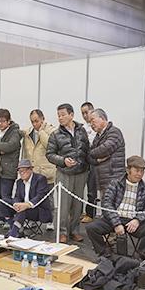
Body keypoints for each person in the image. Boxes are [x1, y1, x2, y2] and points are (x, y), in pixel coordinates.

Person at [86, 156, 145, 260]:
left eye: (142, 171)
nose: (140, 174)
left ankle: (138, 258)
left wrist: (137, 220)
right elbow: (107, 204)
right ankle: (106, 254)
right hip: (115, 218)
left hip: (133, 221)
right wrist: (116, 223)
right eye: (137, 170)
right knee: (91, 228)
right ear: (128, 170)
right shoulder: (115, 184)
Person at [46, 103, 90, 243]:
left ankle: (75, 230)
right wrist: (63, 160)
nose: (60, 118)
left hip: (81, 172)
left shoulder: (82, 130)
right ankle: (62, 232)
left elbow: (87, 149)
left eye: (63, 115)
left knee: (77, 205)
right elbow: (49, 154)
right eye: (58, 115)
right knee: (63, 205)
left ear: (71, 115)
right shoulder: (55, 134)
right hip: (64, 173)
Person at [20, 109, 56, 229]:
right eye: (32, 121)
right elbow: (25, 152)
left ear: (42, 119)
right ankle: (32, 220)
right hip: (32, 171)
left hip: (46, 170)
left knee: (48, 198)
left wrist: (41, 132)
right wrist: (24, 168)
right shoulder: (28, 133)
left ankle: (50, 221)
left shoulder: (52, 130)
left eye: (37, 121)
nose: (35, 124)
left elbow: (50, 145)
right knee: (30, 196)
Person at [5, 160, 52, 238]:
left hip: (38, 209)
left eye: (23, 171)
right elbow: (17, 197)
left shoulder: (40, 179)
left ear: (30, 170)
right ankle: (13, 227)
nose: (21, 173)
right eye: (20, 171)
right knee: (4, 202)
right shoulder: (19, 182)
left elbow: (40, 196)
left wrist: (27, 205)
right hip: (23, 208)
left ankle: (13, 234)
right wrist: (16, 204)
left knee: (23, 210)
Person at [87, 108, 126, 197]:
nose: (91, 124)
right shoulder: (98, 136)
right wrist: (97, 160)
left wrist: (91, 153)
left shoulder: (114, 132)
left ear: (102, 118)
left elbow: (104, 149)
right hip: (102, 180)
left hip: (114, 179)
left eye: (93, 120)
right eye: (90, 122)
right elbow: (89, 158)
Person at [80, 102, 97, 223]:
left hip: (95, 162)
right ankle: (80, 212)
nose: (85, 115)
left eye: (86, 112)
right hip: (84, 161)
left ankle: (90, 214)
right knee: (81, 189)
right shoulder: (82, 128)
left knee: (92, 190)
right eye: (83, 113)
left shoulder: (97, 126)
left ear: (92, 111)